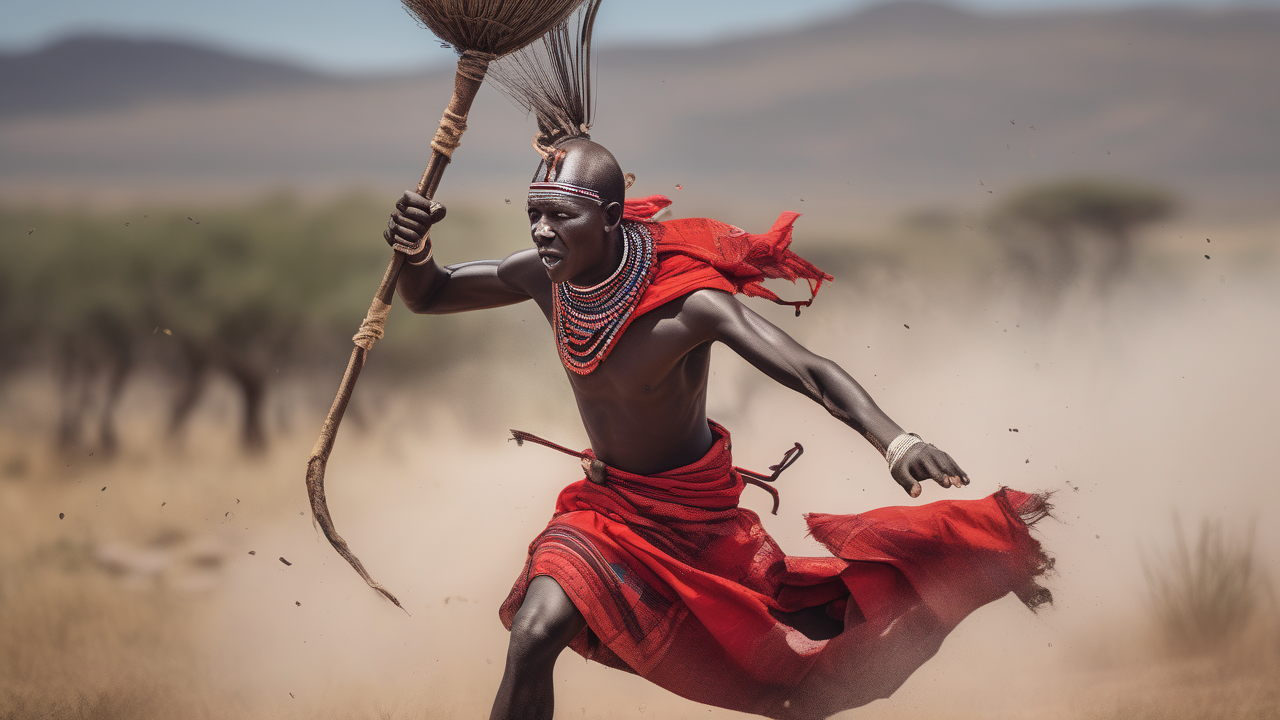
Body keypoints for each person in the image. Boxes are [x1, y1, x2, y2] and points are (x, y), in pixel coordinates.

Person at [381, 138, 1052, 720]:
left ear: (610, 219)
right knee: (533, 631)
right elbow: (430, 292)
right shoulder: (544, 278)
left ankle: (978, 554)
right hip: (606, 509)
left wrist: (896, 440)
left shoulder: (690, 302)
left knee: (802, 670)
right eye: (534, 215)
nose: (542, 232)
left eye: (562, 215)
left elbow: (808, 368)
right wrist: (415, 249)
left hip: (695, 520)